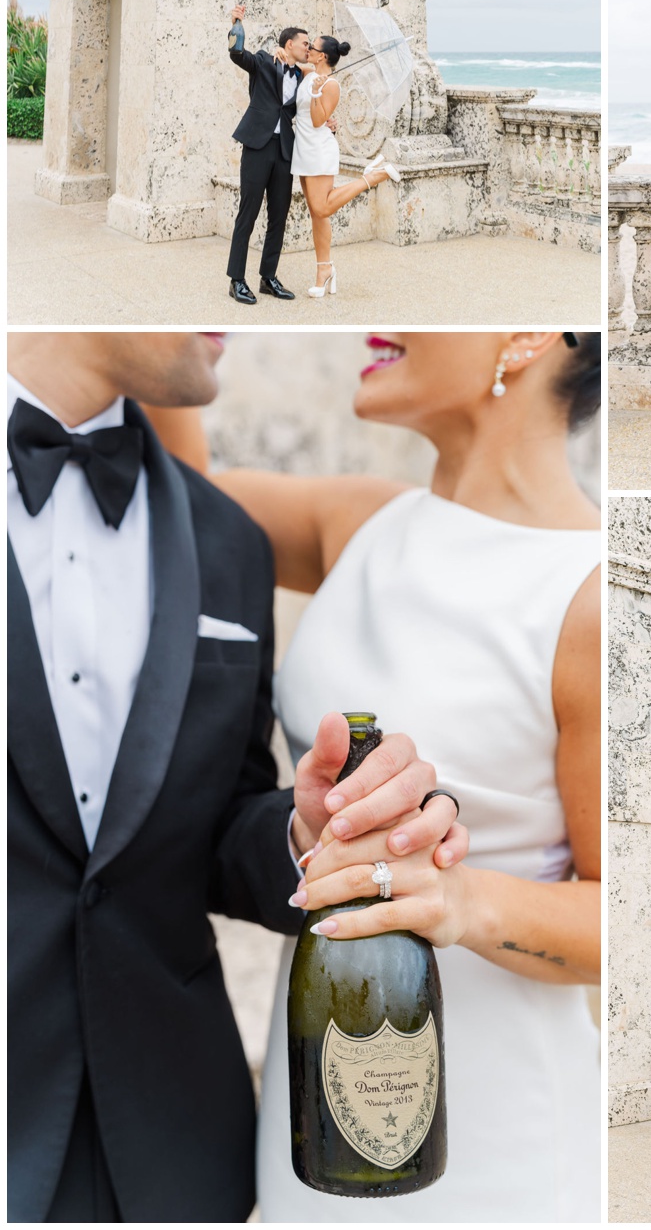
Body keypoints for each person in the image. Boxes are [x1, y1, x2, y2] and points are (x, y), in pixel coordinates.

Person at [146, 331, 603, 1223]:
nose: (385, 319)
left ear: (530, 332)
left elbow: (629, 908)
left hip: (496, 1131)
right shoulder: (359, 520)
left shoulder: (587, 591)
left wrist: (463, 902)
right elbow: (179, 502)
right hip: (315, 1094)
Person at [6, 331, 462, 1223]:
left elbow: (214, 833)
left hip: (176, 1147)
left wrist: (305, 830)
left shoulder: (231, 542)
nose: (233, 318)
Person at [292, 33, 400, 299]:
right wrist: (281, 53)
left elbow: (318, 120)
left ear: (322, 56)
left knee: (322, 206)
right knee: (318, 215)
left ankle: (372, 178)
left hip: (319, 150)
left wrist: (317, 93)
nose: (308, 50)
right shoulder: (309, 73)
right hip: (303, 151)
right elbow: (294, 65)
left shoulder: (331, 86)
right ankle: (324, 270)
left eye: (312, 48)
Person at [226, 4, 307, 305]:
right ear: (289, 44)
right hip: (257, 145)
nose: (308, 48)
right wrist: (236, 24)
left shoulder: (300, 75)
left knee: (279, 215)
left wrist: (329, 122)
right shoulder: (263, 60)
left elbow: (305, 111)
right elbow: (237, 54)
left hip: (284, 150)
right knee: (248, 213)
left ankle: (268, 278)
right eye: (305, 44)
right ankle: (236, 280)